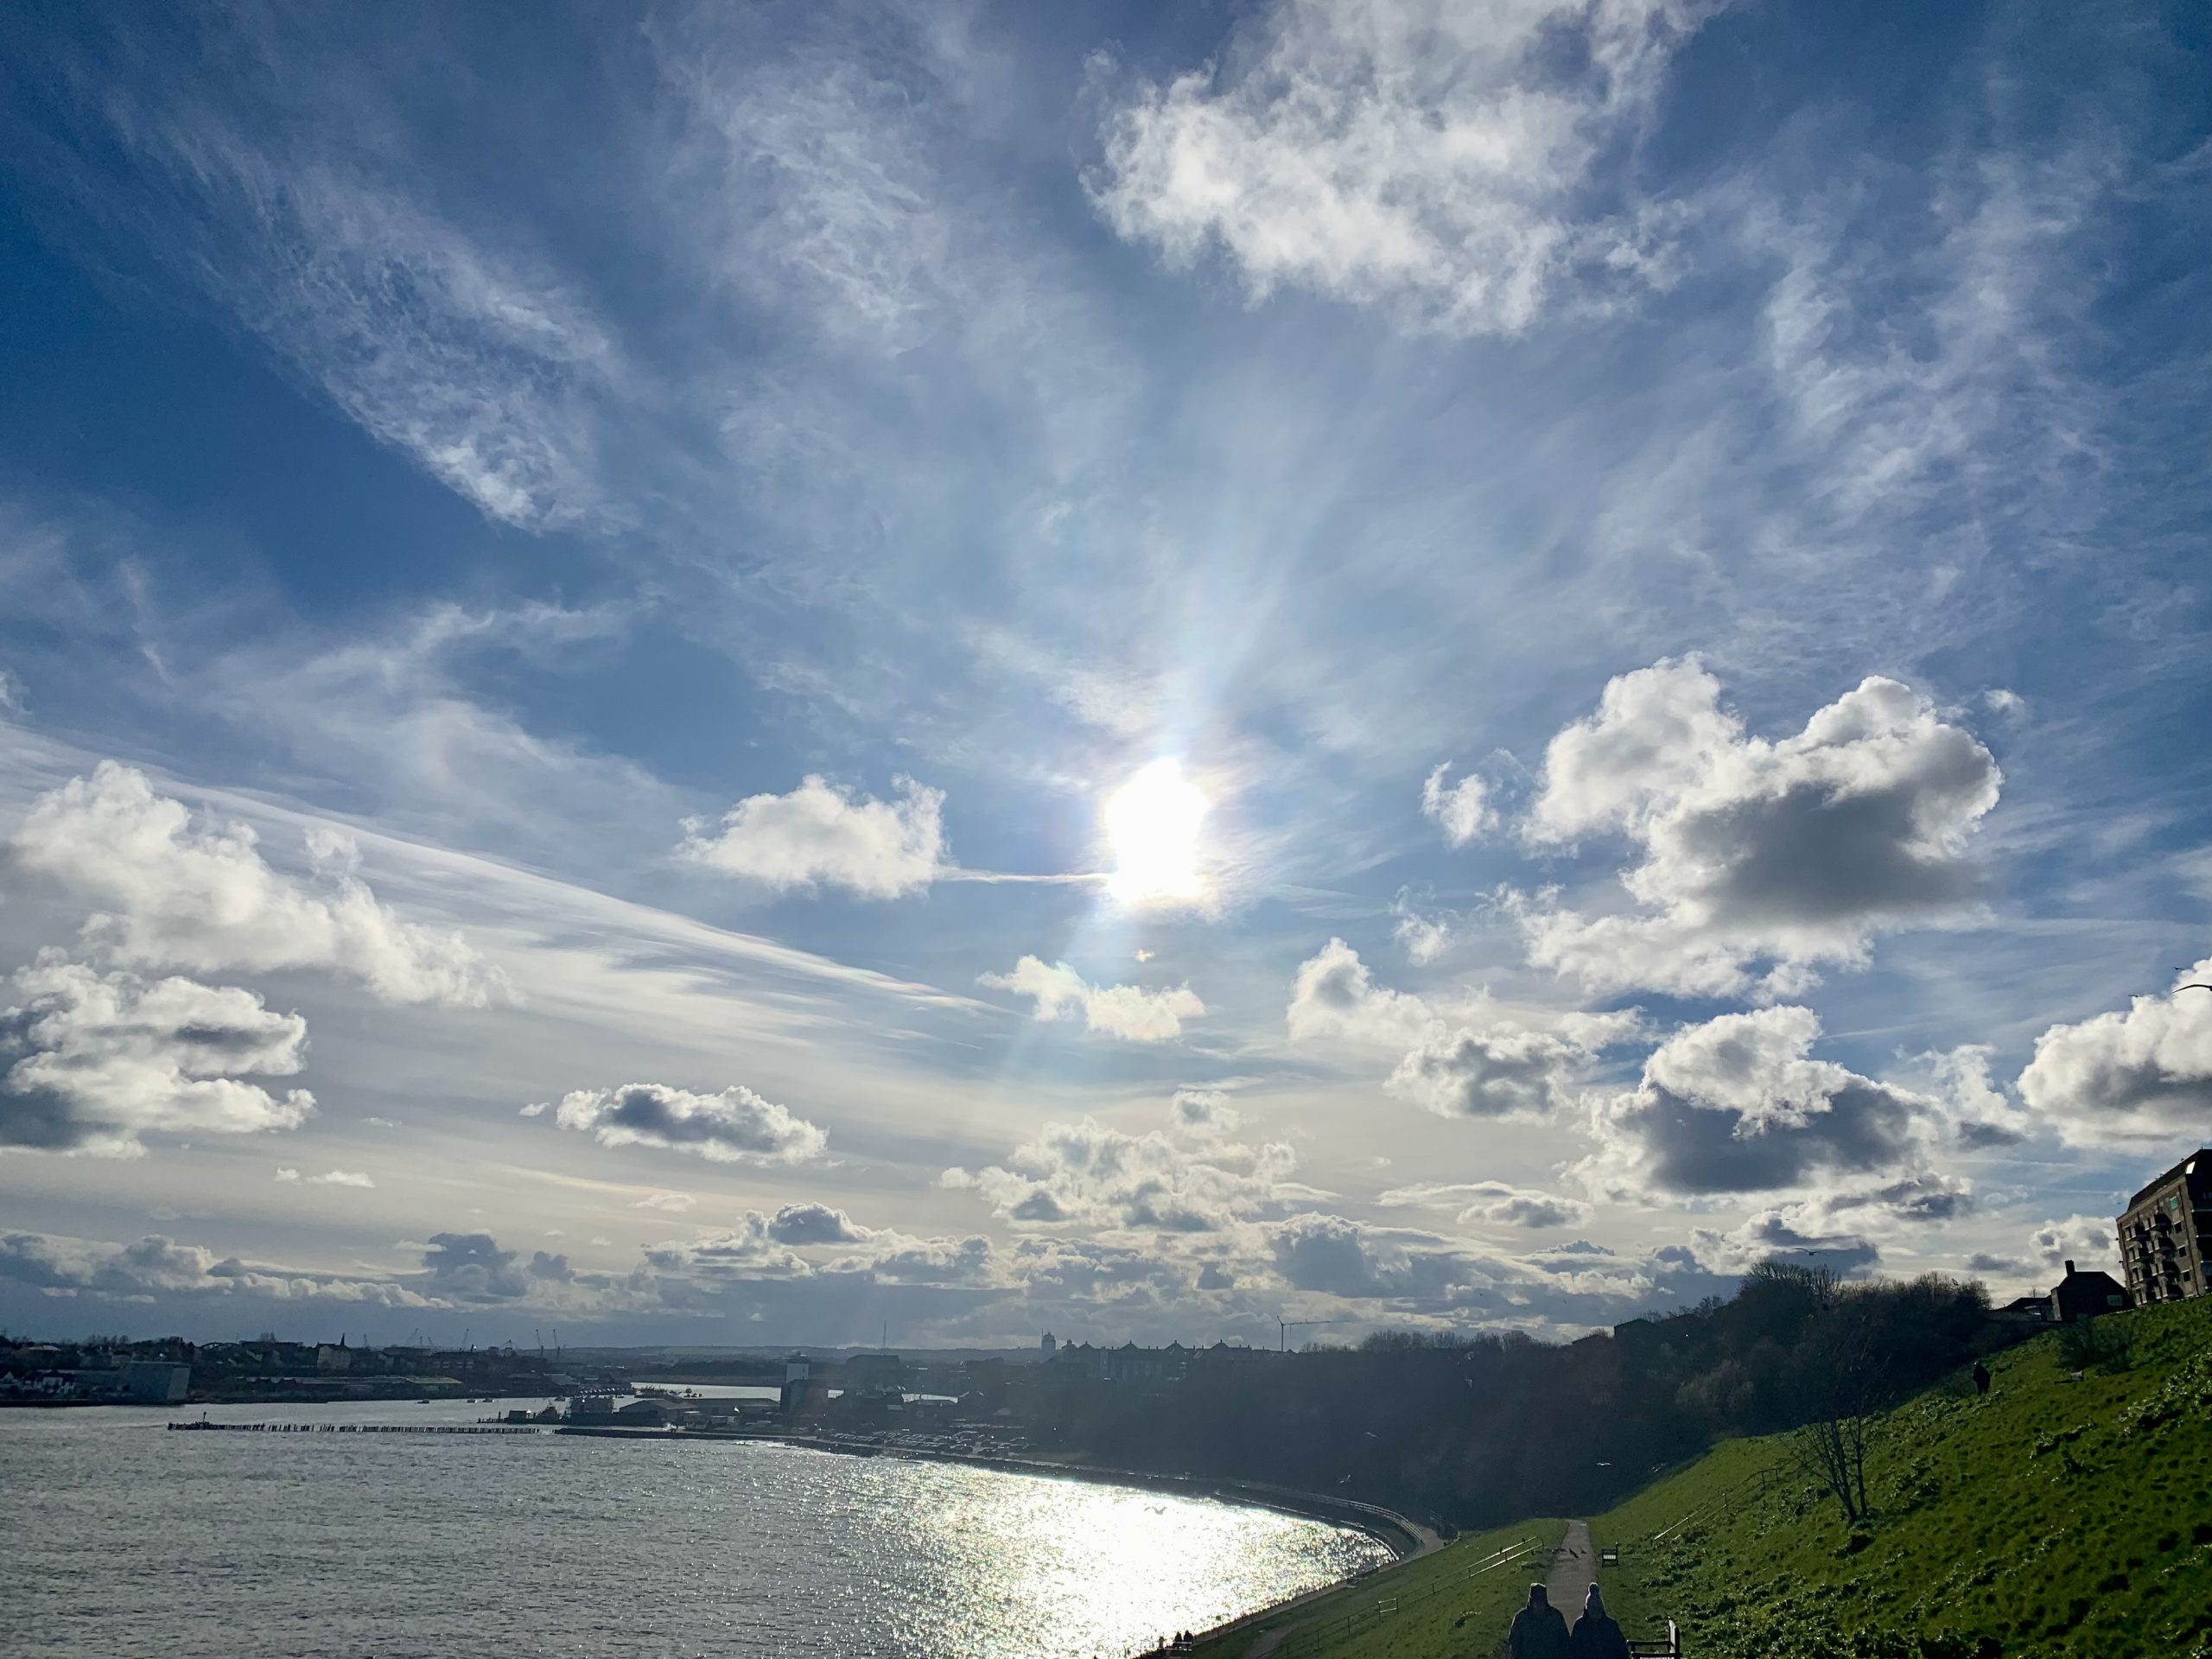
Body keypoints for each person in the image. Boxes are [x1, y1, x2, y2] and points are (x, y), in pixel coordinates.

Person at [1568, 1582, 1632, 1659]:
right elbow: (1574, 1652)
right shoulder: (1580, 1626)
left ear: (1602, 1609)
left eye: (1598, 1609)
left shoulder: (1611, 1626)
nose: (1595, 1612)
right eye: (1592, 1608)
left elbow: (1622, 1651)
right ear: (1587, 1608)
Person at [1507, 1583, 1571, 1659]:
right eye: (1536, 1601)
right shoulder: (1521, 1619)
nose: (1539, 1604)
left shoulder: (1556, 1617)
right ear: (1531, 1601)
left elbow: (1565, 1642)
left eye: (1541, 1600)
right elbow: (1514, 1644)